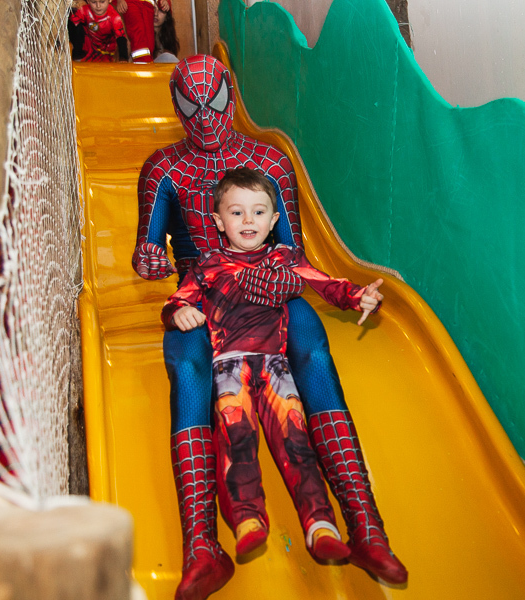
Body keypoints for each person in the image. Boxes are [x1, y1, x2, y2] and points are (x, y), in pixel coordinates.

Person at [134, 55, 407, 600]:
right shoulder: (163, 169)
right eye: (191, 103)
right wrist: (152, 260)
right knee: (189, 371)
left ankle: (365, 526)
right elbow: (146, 250)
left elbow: (294, 252)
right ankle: (201, 548)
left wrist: (334, 290)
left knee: (313, 355)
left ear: (230, 97)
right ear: (177, 107)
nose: (204, 115)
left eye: (213, 101)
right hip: (204, 291)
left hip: (271, 284)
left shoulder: (269, 161)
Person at [163, 168, 383, 568]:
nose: (248, 220)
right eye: (237, 212)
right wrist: (179, 312)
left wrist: (358, 297)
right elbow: (178, 300)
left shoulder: (285, 259)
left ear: (274, 219)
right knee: (236, 438)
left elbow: (327, 284)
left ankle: (321, 526)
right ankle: (248, 519)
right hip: (228, 368)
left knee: (295, 438)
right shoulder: (209, 265)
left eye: (259, 212)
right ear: (218, 221)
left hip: (276, 366)